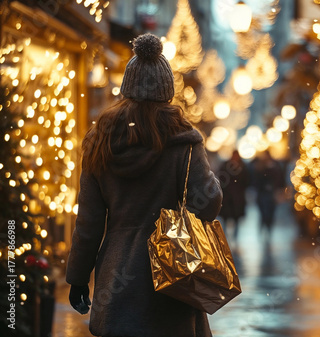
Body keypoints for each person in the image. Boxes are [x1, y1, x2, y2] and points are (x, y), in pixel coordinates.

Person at [65, 33, 222, 337]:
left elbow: (89, 222)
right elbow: (209, 202)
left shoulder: (101, 142)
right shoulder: (184, 141)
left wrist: (78, 277)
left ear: (127, 87)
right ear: (167, 91)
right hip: (172, 273)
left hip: (117, 277)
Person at [217, 150, 249, 239]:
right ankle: (225, 236)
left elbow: (246, 181)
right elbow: (220, 179)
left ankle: (235, 236)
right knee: (225, 218)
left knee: (236, 219)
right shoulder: (226, 166)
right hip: (227, 198)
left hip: (237, 198)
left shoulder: (242, 167)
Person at [252, 150, 285, 233]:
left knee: (270, 212)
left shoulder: (275, 166)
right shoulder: (261, 166)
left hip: (271, 193)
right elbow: (256, 180)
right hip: (263, 193)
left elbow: (280, 179)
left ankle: (268, 227)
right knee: (264, 212)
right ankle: (264, 226)